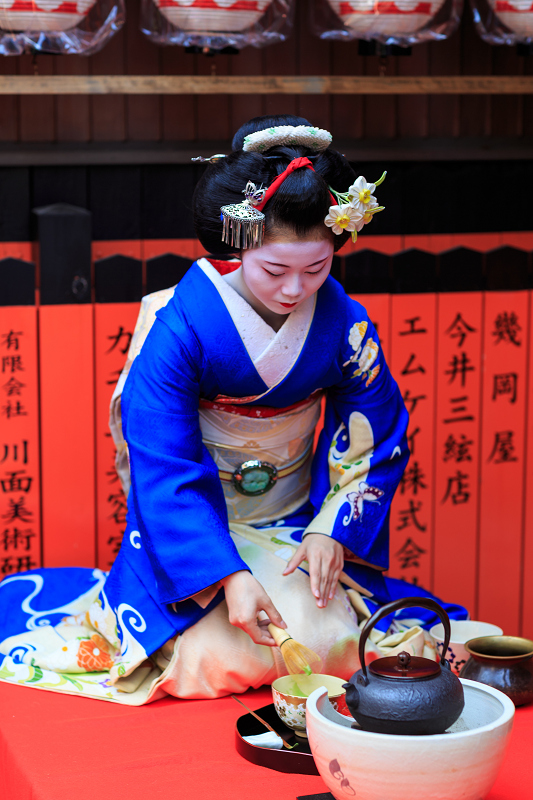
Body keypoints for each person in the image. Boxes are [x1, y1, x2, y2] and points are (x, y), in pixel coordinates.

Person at [0, 115, 467, 705]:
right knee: (220, 654)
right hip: (204, 527)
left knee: (328, 637)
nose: (296, 289)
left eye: (316, 268)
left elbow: (377, 434)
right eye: (275, 269)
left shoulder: (343, 325)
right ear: (237, 246)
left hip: (296, 519)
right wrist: (227, 575)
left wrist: (332, 530)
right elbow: (162, 463)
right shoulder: (182, 329)